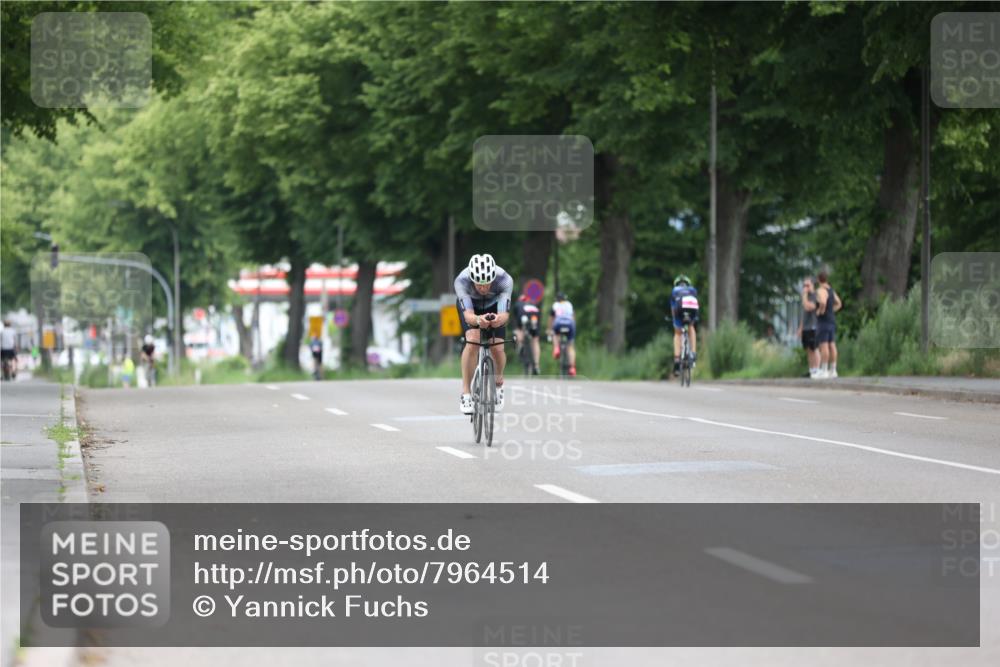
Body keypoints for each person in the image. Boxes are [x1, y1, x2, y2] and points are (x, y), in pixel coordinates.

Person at [455, 253, 512, 414]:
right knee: (472, 340)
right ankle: (466, 393)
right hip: (471, 308)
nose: (483, 288)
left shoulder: (504, 279)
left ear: (493, 278)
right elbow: (468, 315)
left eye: (487, 284)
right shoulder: (462, 280)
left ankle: (499, 380)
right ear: (472, 279)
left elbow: (505, 315)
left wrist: (497, 319)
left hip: (495, 307)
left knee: (498, 347)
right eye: (479, 284)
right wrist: (479, 320)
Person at [669, 275, 699, 375]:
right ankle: (693, 354)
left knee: (677, 333)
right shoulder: (693, 290)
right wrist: (694, 319)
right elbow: (696, 305)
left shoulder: (674, 290)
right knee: (691, 327)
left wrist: (675, 322)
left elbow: (673, 309)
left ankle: (677, 359)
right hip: (691, 309)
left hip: (679, 310)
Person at [815, 270, 842, 379]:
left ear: (818, 279)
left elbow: (822, 302)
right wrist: (832, 311)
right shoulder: (831, 290)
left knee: (824, 345)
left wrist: (820, 311)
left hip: (823, 321)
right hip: (831, 320)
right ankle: (833, 370)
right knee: (832, 345)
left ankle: (824, 370)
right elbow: (839, 303)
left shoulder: (821, 290)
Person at [548, 292, 577, 376]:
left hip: (558, 323)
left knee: (555, 334)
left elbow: (551, 318)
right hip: (570, 324)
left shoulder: (555, 305)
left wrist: (549, 329)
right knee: (570, 347)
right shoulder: (569, 304)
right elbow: (573, 317)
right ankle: (572, 368)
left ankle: (556, 348)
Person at [512, 293, 541, 375]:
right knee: (535, 341)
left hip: (522, 317)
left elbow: (515, 318)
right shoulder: (533, 305)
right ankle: (536, 365)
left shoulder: (518, 304)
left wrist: (517, 331)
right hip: (535, 317)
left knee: (519, 331)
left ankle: (520, 344)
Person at [799, 276, 820, 378]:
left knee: (814, 348)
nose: (805, 287)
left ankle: (818, 369)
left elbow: (808, 307)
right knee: (808, 349)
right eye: (804, 285)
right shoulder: (806, 297)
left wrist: (804, 295)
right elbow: (804, 314)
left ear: (812, 285)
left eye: (807, 285)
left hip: (813, 326)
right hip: (806, 327)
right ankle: (812, 370)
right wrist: (800, 328)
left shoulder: (815, 296)